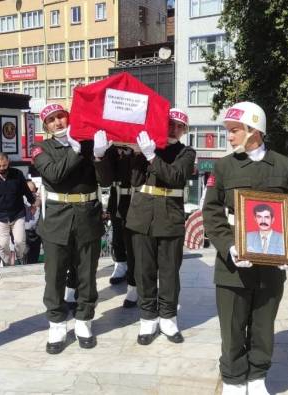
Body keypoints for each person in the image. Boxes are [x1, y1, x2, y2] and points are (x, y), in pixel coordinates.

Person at [202, 102, 288, 395]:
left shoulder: (284, 166)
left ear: (254, 131)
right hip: (233, 263)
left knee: (263, 324)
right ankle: (234, 378)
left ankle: (257, 376)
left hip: (271, 263)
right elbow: (211, 212)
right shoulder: (224, 167)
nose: (230, 137)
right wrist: (229, 246)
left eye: (235, 130)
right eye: (229, 131)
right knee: (232, 326)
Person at [33, 103, 113, 354]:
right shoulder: (41, 149)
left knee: (87, 274)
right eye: (52, 120)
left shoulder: (88, 144)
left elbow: (107, 180)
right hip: (57, 219)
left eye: (61, 117)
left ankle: (84, 320)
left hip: (87, 217)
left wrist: (99, 156)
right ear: (45, 126)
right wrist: (76, 151)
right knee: (55, 275)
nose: (58, 123)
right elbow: (54, 174)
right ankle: (56, 324)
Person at [126, 108, 196, 345]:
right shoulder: (147, 146)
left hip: (169, 216)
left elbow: (176, 177)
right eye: (171, 124)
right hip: (142, 215)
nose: (174, 129)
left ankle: (168, 317)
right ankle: (147, 317)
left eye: (179, 126)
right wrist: (138, 153)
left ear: (185, 131)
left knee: (168, 271)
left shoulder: (186, 152)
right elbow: (134, 180)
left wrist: (151, 157)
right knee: (144, 271)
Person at [0, 152, 36, 266]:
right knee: (3, 244)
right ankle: (7, 264)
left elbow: (26, 191)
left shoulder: (17, 174)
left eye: (4, 165)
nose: (1, 168)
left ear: (8, 163)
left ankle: (20, 258)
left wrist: (33, 204)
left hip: (17, 214)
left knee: (19, 241)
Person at [103, 144, 139, 307]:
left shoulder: (138, 148)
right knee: (117, 235)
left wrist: (133, 152)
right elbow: (106, 175)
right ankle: (120, 264)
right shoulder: (112, 149)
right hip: (117, 197)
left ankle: (134, 280)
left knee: (134, 243)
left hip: (136, 198)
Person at [24, 180, 42, 264]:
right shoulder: (21, 200)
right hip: (25, 232)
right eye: (28, 191)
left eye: (33, 191)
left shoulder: (40, 201)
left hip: (37, 232)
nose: (31, 194)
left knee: (34, 258)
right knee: (26, 256)